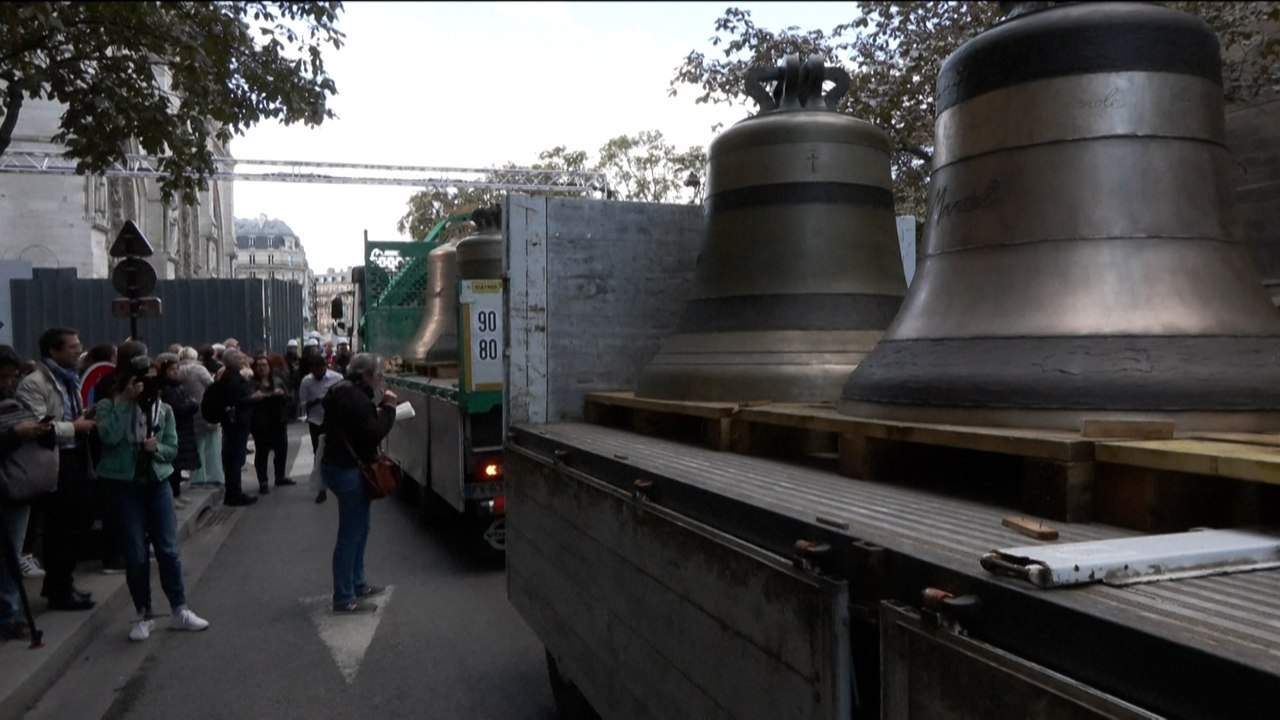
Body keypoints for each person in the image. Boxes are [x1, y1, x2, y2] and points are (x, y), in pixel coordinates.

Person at [94, 356, 209, 641]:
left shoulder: (163, 409)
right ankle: (144, 614)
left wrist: (156, 449)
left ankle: (179, 610)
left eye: (149, 380)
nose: (144, 386)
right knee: (136, 554)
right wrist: (124, 402)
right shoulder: (108, 406)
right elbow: (109, 437)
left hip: (157, 484)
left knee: (168, 550)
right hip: (124, 487)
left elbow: (172, 448)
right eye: (139, 380)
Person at [16, 328, 97, 611]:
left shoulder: (69, 378)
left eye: (79, 345)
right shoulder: (34, 383)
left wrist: (85, 417)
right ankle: (59, 590)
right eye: (72, 347)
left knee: (78, 522)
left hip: (77, 456)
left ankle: (62, 583)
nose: (79, 350)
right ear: (54, 351)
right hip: (53, 461)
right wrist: (74, 427)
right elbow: (40, 426)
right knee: (59, 528)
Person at [321, 353, 395, 614]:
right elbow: (373, 433)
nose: (380, 380)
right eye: (378, 375)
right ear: (366, 375)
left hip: (339, 465)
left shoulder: (341, 391)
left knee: (359, 529)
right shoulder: (357, 398)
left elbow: (357, 425)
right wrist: (389, 408)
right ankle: (344, 596)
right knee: (351, 534)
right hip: (349, 469)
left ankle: (357, 583)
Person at [0, 345, 56, 641]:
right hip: (8, 482)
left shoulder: (13, 398)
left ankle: (9, 613)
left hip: (17, 488)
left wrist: (38, 432)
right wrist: (15, 435)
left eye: (11, 376)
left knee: (11, 554)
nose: (7, 382)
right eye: (2, 376)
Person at [213, 350, 258, 506]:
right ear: (230, 360)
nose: (243, 360)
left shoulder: (233, 375)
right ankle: (234, 494)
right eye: (239, 358)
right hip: (236, 423)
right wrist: (252, 398)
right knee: (234, 459)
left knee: (235, 459)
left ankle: (235, 491)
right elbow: (234, 401)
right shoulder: (231, 377)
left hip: (238, 423)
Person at [299, 354, 343, 504]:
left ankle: (338, 482)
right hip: (316, 421)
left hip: (334, 420)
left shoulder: (337, 378)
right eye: (314, 371)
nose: (317, 373)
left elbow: (344, 398)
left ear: (325, 367)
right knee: (318, 453)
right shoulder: (306, 381)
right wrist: (316, 401)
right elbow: (303, 403)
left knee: (336, 451)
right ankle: (321, 488)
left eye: (320, 370)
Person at [157, 354, 200, 508]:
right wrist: (190, 405)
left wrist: (190, 405)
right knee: (173, 465)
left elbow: (193, 404)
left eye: (177, 369)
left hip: (185, 428)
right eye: (171, 369)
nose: (176, 372)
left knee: (179, 465)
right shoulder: (165, 389)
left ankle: (177, 493)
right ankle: (173, 495)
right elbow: (178, 408)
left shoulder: (180, 387)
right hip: (175, 429)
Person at [249, 355, 293, 494]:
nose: (262, 368)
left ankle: (280, 476)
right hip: (260, 422)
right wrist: (271, 394)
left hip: (278, 420)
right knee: (262, 452)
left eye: (264, 365)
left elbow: (289, 397)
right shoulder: (251, 383)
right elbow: (252, 398)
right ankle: (263, 481)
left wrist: (282, 394)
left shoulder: (277, 381)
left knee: (281, 450)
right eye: (259, 365)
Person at [179, 347, 221, 488]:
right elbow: (212, 386)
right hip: (204, 411)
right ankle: (213, 476)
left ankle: (197, 477)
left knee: (195, 446)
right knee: (211, 445)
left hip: (188, 413)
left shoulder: (178, 371)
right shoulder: (199, 369)